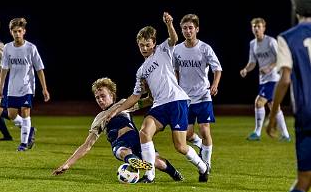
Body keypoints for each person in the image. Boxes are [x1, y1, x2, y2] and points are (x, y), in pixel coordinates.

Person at [106, 12, 209, 183]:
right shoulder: (141, 71)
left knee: (180, 147)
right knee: (145, 133)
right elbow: (135, 96)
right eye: (141, 45)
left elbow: (174, 38)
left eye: (147, 44)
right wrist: (116, 110)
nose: (144, 48)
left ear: (154, 43)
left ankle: (202, 166)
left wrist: (169, 24)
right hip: (160, 105)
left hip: (176, 101)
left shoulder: (163, 50)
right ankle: (149, 175)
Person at [52, 77, 184, 182]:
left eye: (103, 96)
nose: (100, 100)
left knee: (158, 163)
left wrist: (148, 86)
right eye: (97, 97)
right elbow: (87, 145)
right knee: (122, 151)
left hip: (136, 139)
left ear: (112, 95)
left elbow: (149, 100)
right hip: (119, 143)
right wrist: (67, 164)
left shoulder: (123, 105)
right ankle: (134, 161)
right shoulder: (99, 118)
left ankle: (176, 174)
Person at [266, 0, 311, 192]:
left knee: (303, 180)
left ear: (296, 8)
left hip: (306, 115)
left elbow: (284, 79)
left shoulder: (287, 37)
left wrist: (273, 117)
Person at [173, 14, 222, 171]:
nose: (188, 31)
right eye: (185, 28)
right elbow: (175, 70)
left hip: (203, 96)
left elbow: (217, 69)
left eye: (190, 28)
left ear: (197, 29)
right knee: (187, 135)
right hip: (185, 98)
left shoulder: (205, 48)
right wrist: (176, 87)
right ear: (181, 30)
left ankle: (206, 164)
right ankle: (201, 144)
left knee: (204, 129)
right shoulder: (177, 50)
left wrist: (214, 84)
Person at [0, 17, 50, 151]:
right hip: (12, 88)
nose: (17, 34)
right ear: (11, 32)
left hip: (27, 87)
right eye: (14, 31)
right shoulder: (8, 48)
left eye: (19, 31)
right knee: (11, 115)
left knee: (25, 112)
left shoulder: (31, 48)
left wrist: (44, 89)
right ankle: (30, 130)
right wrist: (1, 87)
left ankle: (23, 143)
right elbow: (4, 68)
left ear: (24, 31)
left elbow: (39, 69)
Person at [240, 17, 290, 141]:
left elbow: (280, 58)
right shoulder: (253, 44)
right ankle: (286, 135)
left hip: (274, 78)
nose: (256, 29)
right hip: (263, 79)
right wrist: (246, 69)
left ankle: (257, 133)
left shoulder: (271, 41)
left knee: (259, 102)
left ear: (264, 28)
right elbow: (252, 62)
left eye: (259, 26)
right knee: (274, 106)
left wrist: (269, 67)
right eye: (254, 26)